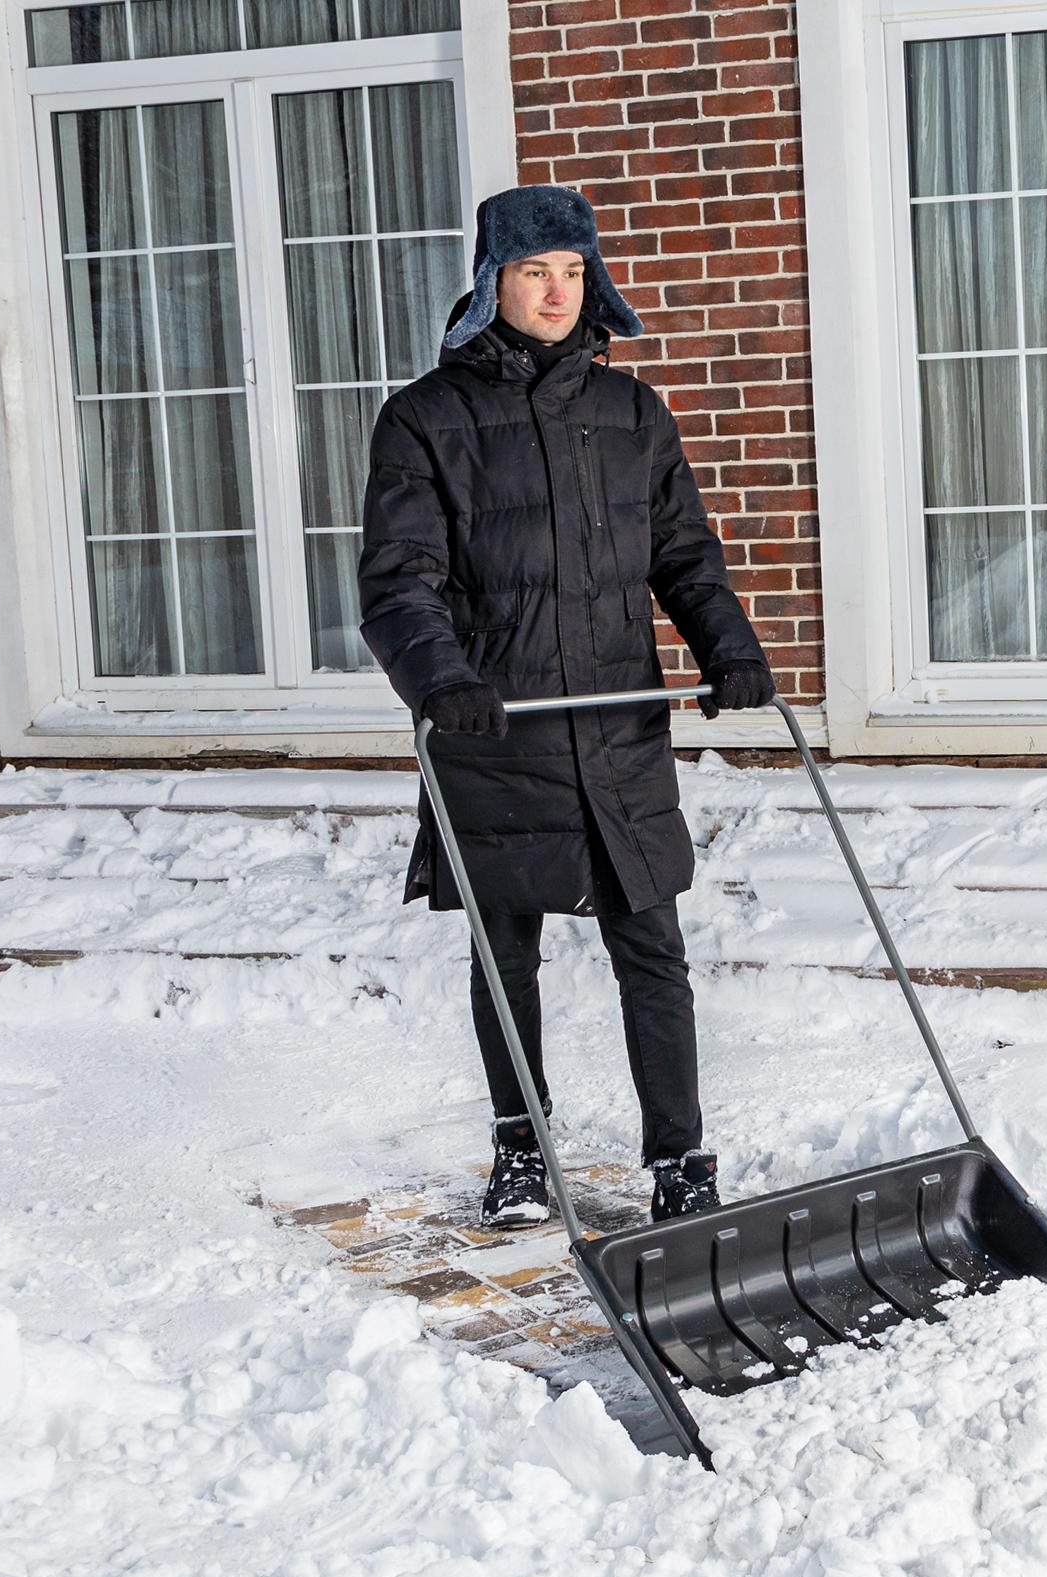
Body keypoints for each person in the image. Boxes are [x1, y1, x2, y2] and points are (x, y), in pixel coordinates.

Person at [358, 184, 774, 1229]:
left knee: (653, 948)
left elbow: (683, 555)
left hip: (617, 727)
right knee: (506, 956)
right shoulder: (425, 419)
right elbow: (398, 579)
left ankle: (680, 1160)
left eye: (572, 270)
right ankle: (520, 1149)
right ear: (490, 280)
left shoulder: (632, 414)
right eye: (534, 270)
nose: (555, 291)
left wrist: (728, 646)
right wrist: (440, 678)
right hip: (494, 729)